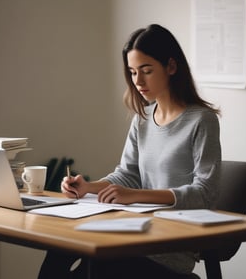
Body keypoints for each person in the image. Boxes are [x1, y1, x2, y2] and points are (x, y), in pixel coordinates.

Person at [38, 24, 221, 279]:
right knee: (59, 247)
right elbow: (127, 174)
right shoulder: (143, 118)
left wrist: (135, 195)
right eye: (133, 72)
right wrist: (88, 187)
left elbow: (205, 194)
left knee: (99, 266)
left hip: (169, 248)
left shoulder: (202, 120)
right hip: (132, 234)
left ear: (171, 66)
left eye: (146, 71)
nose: (138, 81)